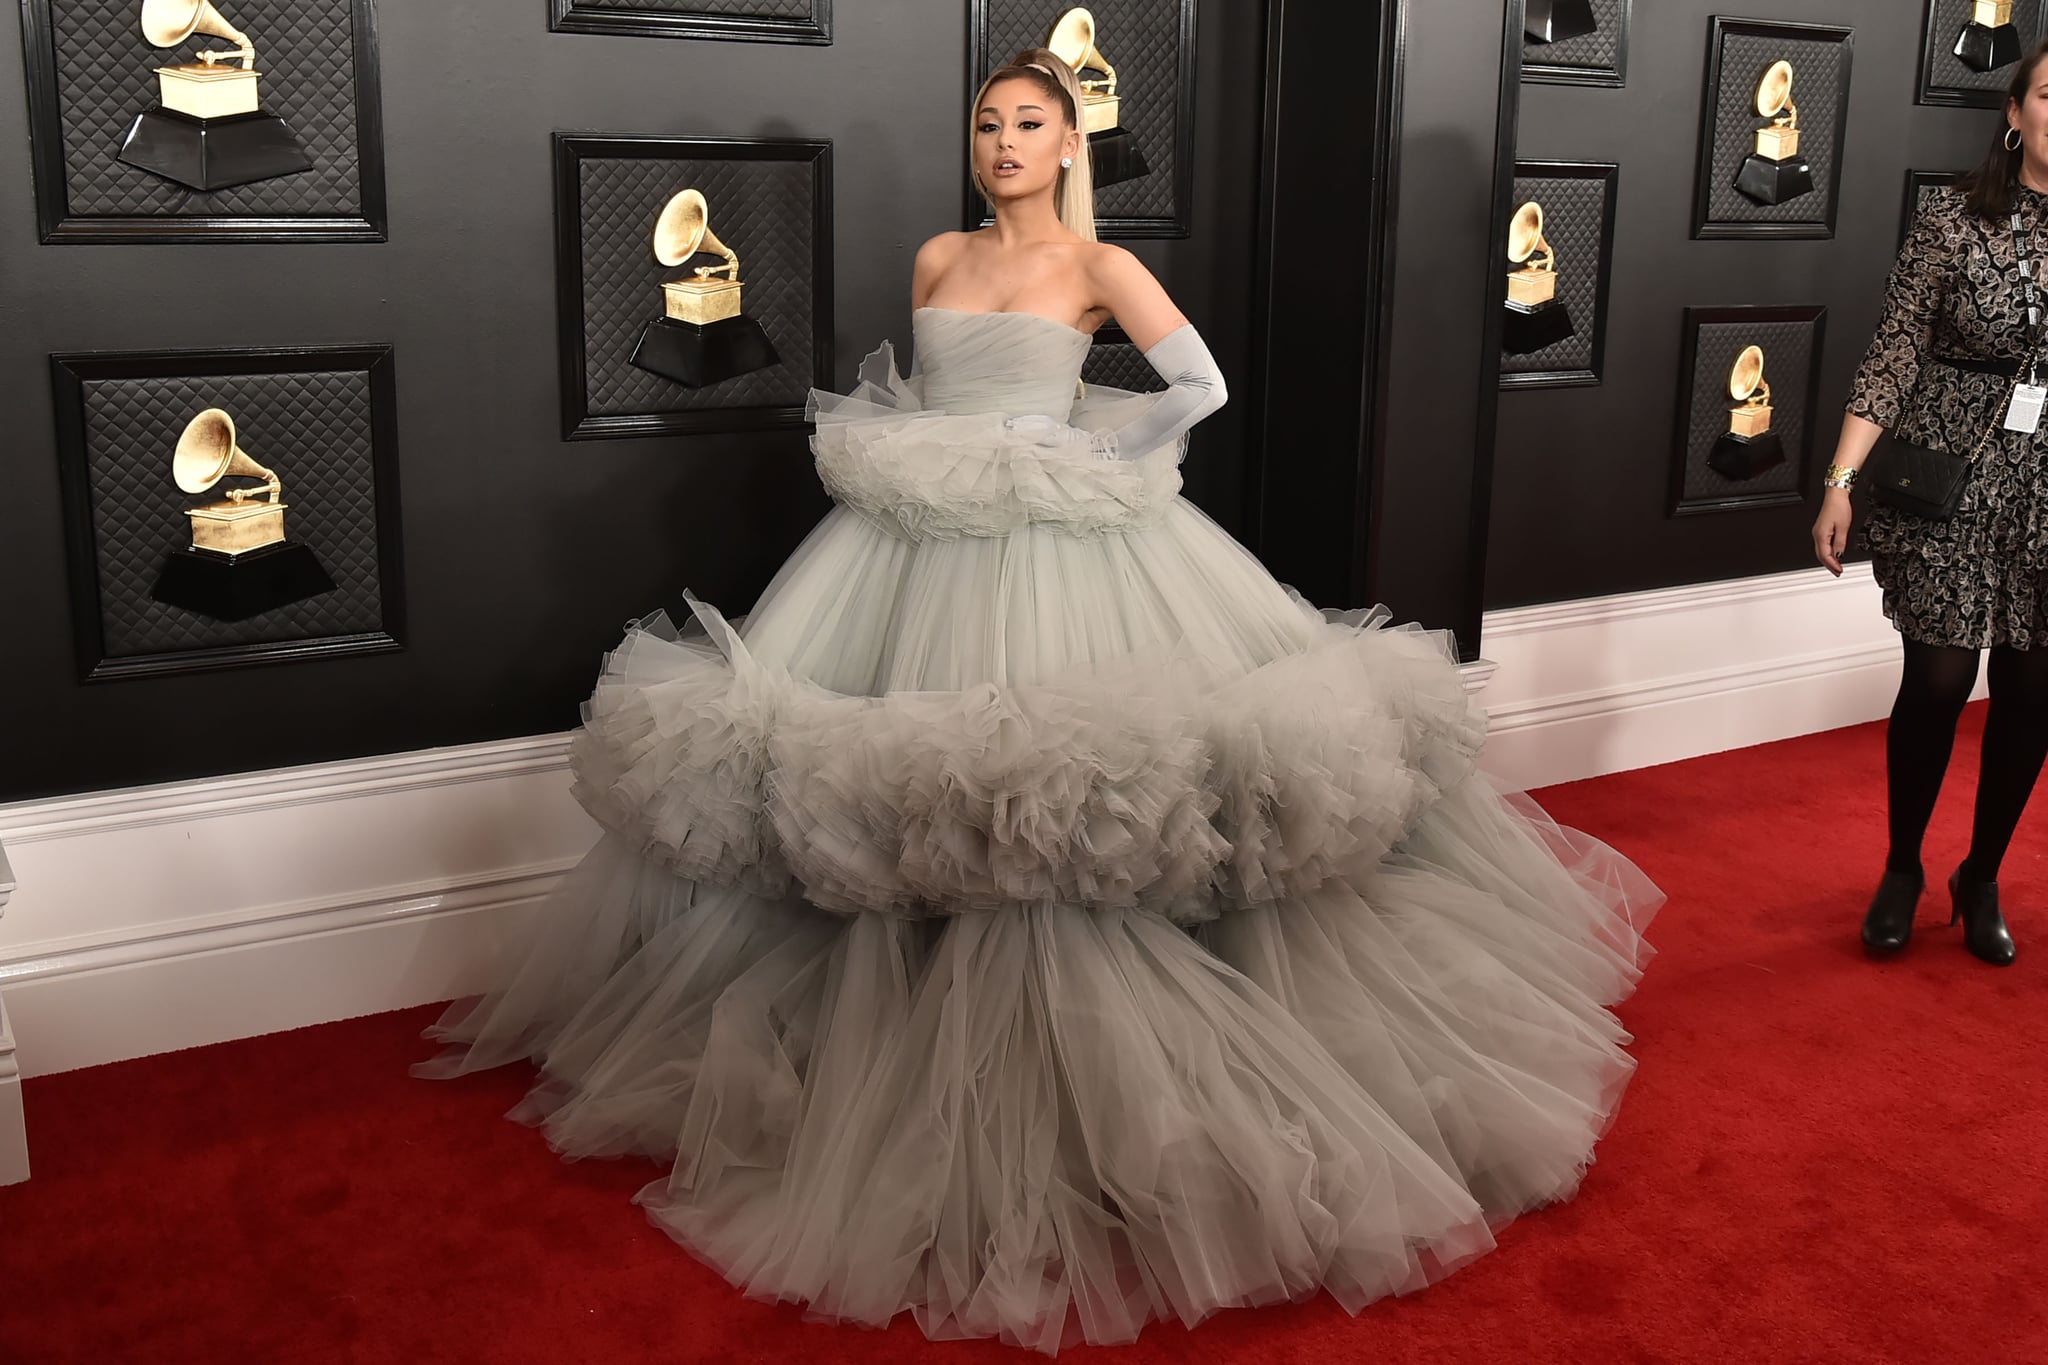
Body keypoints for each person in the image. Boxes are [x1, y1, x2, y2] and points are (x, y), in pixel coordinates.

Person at [416, 50, 1661, 1352]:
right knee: (897, 785)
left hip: (1067, 546)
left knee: (1069, 796)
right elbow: (930, 390)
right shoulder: (939, 261)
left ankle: (1088, 1071)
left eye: (1030, 124)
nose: (1005, 141)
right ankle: (892, 1042)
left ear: (1072, 145)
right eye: (988, 124)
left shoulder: (1098, 268)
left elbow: (1202, 388)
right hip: (914, 551)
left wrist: (1083, 446)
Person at [1813, 44, 2048, 968]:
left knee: (2034, 690)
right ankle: (1904, 865)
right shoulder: (1955, 220)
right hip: (1947, 477)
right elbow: (1894, 352)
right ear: (2016, 113)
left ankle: (1980, 874)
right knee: (1942, 679)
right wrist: (1838, 481)